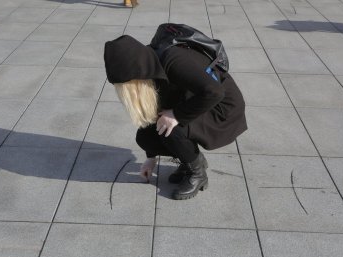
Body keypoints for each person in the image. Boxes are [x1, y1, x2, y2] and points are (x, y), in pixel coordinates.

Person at [104, 35, 247, 200]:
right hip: (197, 101)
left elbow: (215, 92)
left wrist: (176, 115)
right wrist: (150, 159)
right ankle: (191, 160)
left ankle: (198, 174)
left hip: (221, 109)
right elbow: (155, 113)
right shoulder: (149, 64)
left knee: (170, 127)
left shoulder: (173, 60)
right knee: (145, 137)